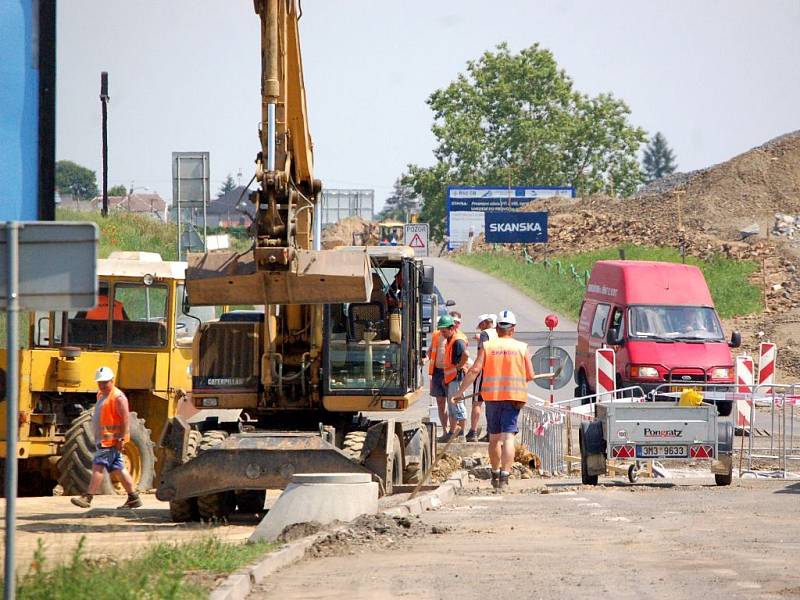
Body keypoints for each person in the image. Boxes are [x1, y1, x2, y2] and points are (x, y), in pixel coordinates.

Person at [453, 309, 534, 492]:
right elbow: (530, 375)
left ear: (497, 328)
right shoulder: (522, 348)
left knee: (495, 439)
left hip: (493, 398)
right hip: (514, 398)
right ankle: (505, 477)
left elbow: (474, 370)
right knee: (509, 437)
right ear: (513, 329)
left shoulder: (488, 347)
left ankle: (496, 473)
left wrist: (460, 392)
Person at [70, 367, 143, 510]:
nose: (102, 385)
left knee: (98, 466)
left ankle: (88, 497)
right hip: (104, 440)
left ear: (112, 380)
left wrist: (121, 439)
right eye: (100, 382)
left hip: (110, 441)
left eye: (105, 382)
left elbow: (125, 420)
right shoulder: (101, 395)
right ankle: (134, 497)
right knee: (120, 469)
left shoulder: (118, 397)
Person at [465, 313, 497, 442]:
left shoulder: (485, 334)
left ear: (484, 323)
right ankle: (491, 431)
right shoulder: (499, 333)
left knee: (477, 402)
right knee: (492, 404)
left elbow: (481, 355)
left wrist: (474, 370)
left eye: (481, 325)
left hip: (484, 371)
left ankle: (473, 432)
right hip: (496, 373)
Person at [440, 316, 469, 442]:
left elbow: (466, 355)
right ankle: (453, 432)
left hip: (456, 378)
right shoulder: (450, 339)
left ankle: (461, 434)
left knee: (458, 405)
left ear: (452, 328)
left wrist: (459, 366)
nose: (442, 333)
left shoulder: (457, 341)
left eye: (444, 331)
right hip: (450, 378)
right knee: (452, 407)